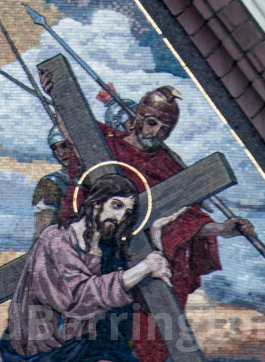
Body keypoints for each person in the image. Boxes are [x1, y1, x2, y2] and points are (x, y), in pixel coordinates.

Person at [99, 87, 255, 362]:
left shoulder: (168, 166)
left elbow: (186, 219)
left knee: (150, 338)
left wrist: (221, 229)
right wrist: (55, 91)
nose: (156, 133)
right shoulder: (107, 145)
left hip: (150, 263)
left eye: (165, 129)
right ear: (138, 117)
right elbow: (72, 131)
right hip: (107, 262)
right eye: (151, 123)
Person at [0, 169, 172, 362]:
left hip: (84, 344)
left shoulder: (108, 248)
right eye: (116, 205)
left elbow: (130, 295)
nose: (120, 217)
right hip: (44, 347)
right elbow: (76, 297)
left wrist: (156, 242)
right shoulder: (57, 239)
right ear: (97, 203)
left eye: (127, 212)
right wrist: (144, 268)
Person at [32, 126, 75, 238]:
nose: (60, 153)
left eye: (64, 146)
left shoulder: (93, 176)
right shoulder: (50, 183)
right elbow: (42, 229)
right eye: (55, 148)